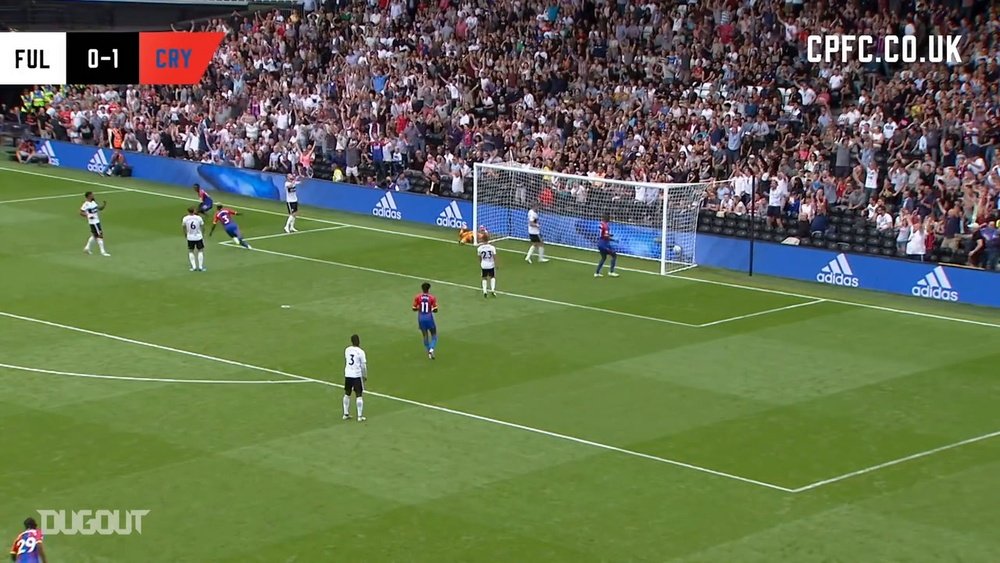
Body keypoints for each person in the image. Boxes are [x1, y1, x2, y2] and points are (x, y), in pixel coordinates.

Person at [343, 334, 367, 421]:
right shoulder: (361, 352)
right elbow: (363, 366)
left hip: (348, 374)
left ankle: (345, 414)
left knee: (347, 393)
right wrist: (364, 375)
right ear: (358, 341)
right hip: (356, 375)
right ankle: (360, 416)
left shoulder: (347, 350)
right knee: (359, 394)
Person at [412, 282, 439, 359]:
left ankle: (428, 351)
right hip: (429, 317)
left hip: (421, 318)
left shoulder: (417, 297)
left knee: (425, 335)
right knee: (434, 335)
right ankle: (431, 349)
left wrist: (419, 308)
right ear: (429, 289)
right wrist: (432, 309)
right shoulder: (432, 298)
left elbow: (414, 308)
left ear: (422, 288)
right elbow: (436, 310)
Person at [80, 191, 110, 256]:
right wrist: (88, 215)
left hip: (97, 221)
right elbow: (81, 212)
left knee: (94, 236)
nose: (93, 195)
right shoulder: (86, 204)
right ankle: (103, 252)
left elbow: (98, 209)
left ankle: (87, 248)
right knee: (100, 236)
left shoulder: (93, 202)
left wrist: (103, 205)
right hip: (94, 223)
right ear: (88, 196)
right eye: (92, 195)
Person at [594, 212, 619, 277]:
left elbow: (603, 234)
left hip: (600, 243)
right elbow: (605, 236)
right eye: (609, 217)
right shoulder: (606, 226)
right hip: (604, 244)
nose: (609, 218)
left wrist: (609, 235)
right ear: (606, 218)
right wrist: (614, 240)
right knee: (614, 255)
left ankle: (596, 273)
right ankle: (611, 272)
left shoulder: (601, 224)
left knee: (603, 257)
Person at [182, 206, 206, 272]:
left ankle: (194, 267)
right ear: (194, 211)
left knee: (191, 251)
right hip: (198, 237)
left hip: (190, 237)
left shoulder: (185, 218)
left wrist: (185, 234)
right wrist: (203, 234)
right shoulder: (198, 218)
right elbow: (203, 227)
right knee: (200, 251)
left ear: (188, 211)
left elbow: (183, 227)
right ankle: (201, 267)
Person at [478, 233, 498, 297]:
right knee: (492, 277)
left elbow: (479, 257)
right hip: (491, 264)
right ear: (488, 239)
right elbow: (494, 257)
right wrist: (496, 264)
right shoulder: (492, 248)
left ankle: (484, 291)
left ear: (482, 239)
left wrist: (481, 263)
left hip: (484, 265)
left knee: (484, 278)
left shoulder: (479, 248)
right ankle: (492, 290)